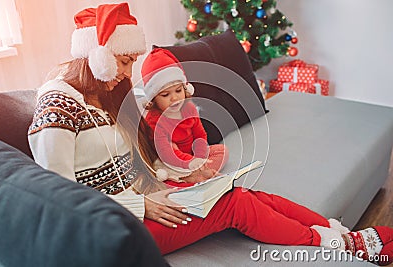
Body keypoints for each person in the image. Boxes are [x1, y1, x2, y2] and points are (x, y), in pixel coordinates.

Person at [27, 3, 393, 266]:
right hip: (106, 229)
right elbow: (55, 195)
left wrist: (177, 178)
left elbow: (137, 156)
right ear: (96, 56)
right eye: (123, 62)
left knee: (242, 192)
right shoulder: (56, 109)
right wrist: (140, 205)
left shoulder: (108, 93)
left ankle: (334, 232)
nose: (126, 73)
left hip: (142, 201)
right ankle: (340, 244)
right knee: (234, 206)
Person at [141, 48, 229, 183]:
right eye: (165, 95)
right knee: (162, 169)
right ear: (154, 99)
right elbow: (167, 153)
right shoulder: (155, 121)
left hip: (193, 156)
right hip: (172, 162)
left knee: (221, 151)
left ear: (185, 88)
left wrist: (199, 158)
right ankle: (190, 177)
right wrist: (190, 162)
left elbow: (200, 135)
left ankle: (198, 174)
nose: (175, 98)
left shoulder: (189, 108)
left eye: (178, 90)